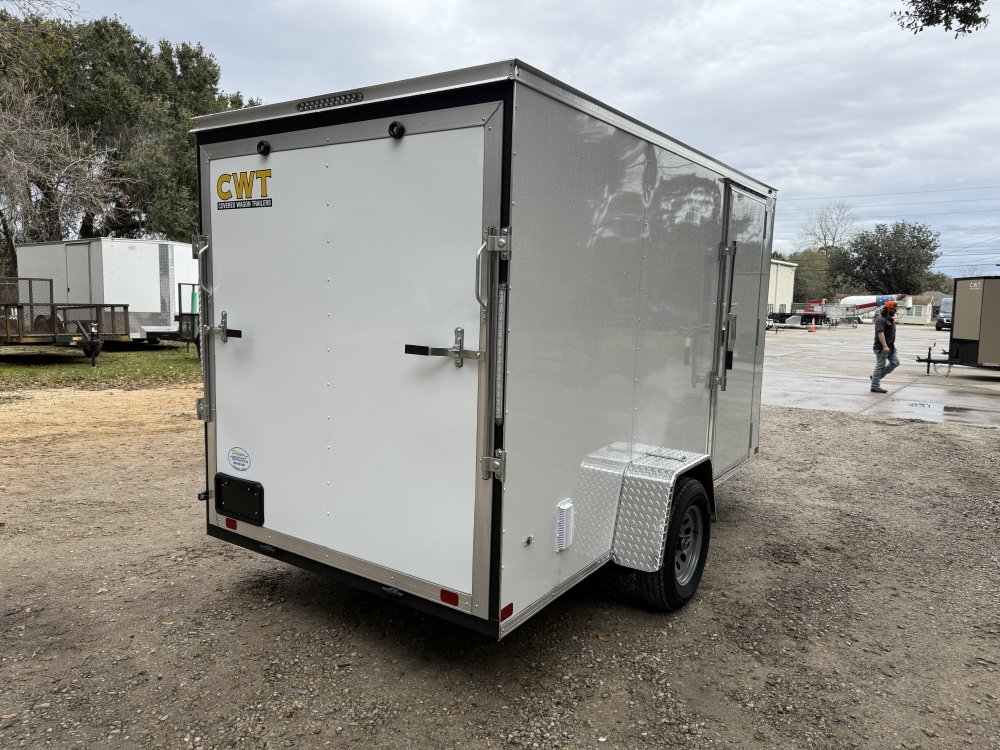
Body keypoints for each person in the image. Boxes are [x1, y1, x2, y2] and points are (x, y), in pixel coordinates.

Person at [870, 300, 899, 393]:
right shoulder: (881, 320)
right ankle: (875, 386)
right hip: (882, 348)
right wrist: (885, 346)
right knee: (880, 366)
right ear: (889, 309)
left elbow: (889, 334)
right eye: (894, 309)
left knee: (895, 362)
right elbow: (880, 333)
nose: (895, 311)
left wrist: (892, 346)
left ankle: (876, 377)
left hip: (890, 347)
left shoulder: (890, 319)